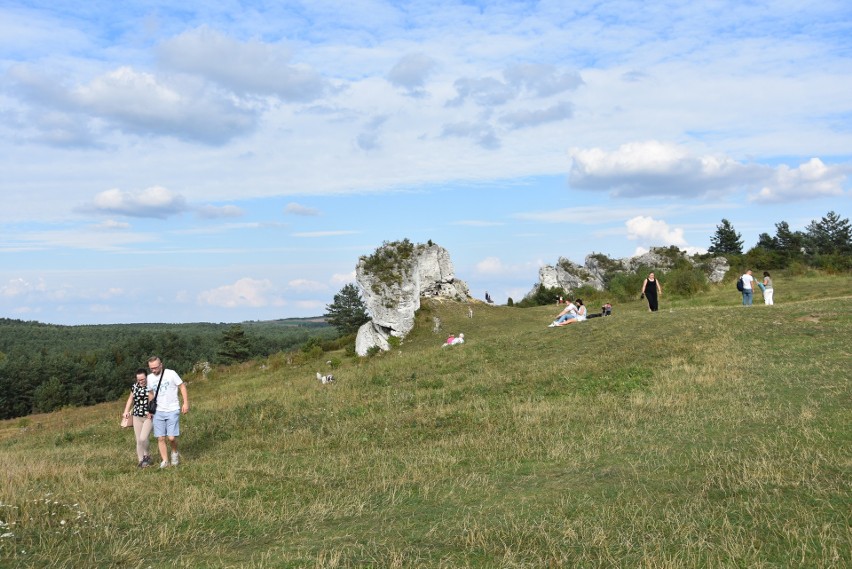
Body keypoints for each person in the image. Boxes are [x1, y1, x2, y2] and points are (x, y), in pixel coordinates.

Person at [147, 356, 189, 469]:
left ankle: (174, 452)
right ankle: (165, 461)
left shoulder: (171, 374)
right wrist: (150, 410)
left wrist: (185, 403)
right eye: (151, 368)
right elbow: (150, 393)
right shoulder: (149, 378)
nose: (154, 370)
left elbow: (182, 386)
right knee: (160, 438)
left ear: (161, 365)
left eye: (156, 367)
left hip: (172, 409)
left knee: (171, 438)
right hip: (158, 411)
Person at [121, 368, 153, 468]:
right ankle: (141, 461)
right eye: (139, 380)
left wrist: (151, 411)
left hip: (148, 417)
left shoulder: (150, 386)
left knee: (143, 438)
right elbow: (130, 399)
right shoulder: (134, 386)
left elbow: (152, 401)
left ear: (146, 377)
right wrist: (126, 411)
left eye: (142, 379)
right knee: (138, 440)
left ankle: (147, 455)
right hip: (136, 416)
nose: (141, 381)